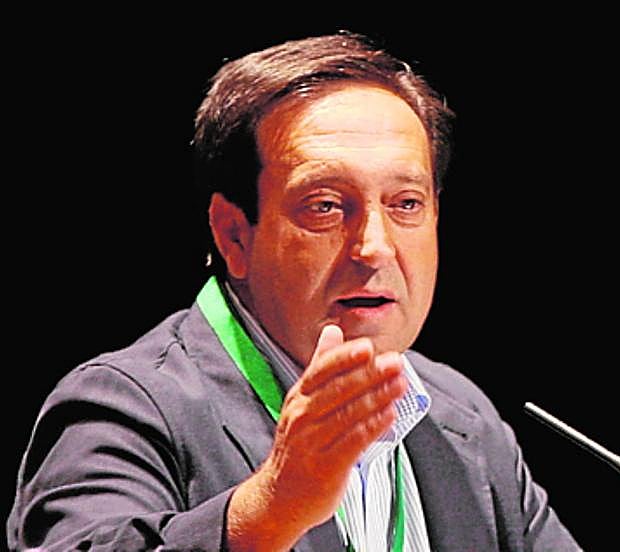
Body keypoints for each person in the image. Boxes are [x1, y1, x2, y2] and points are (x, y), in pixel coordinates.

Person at [7, 32, 581, 551]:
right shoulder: (122, 408)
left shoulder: (465, 418)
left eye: (406, 204)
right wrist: (272, 508)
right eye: (325, 206)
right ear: (233, 235)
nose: (375, 247)